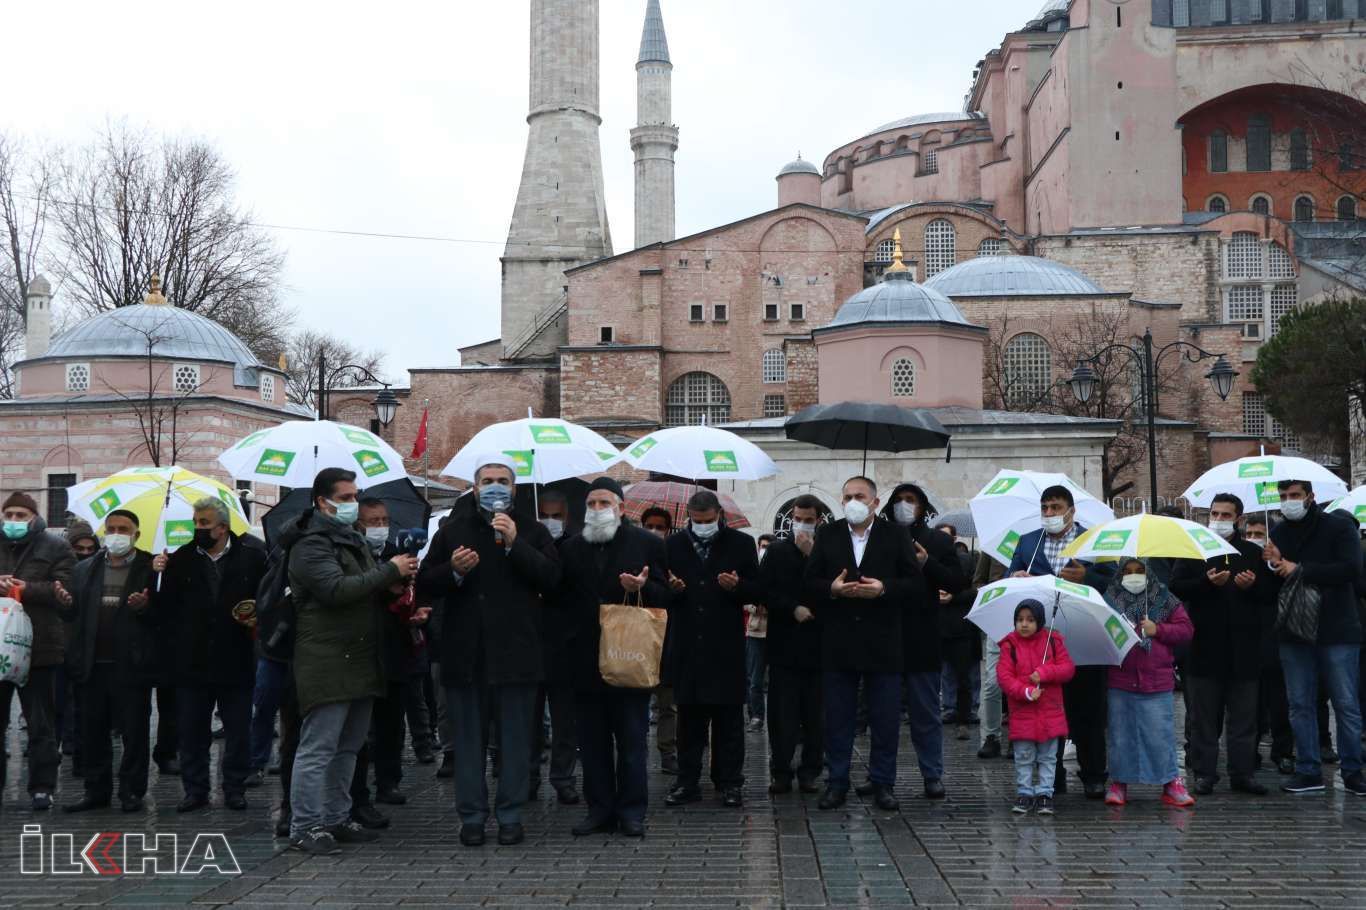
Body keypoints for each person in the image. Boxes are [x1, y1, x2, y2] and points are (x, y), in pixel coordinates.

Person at [417, 454, 560, 847]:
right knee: (468, 744)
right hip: (466, 655)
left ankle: (510, 815)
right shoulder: (452, 530)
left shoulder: (532, 530)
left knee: (515, 743)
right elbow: (427, 582)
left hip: (517, 655)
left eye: (502, 481)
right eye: (487, 481)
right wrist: (455, 571)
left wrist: (516, 546)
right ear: (476, 488)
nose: (495, 487)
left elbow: (552, 578)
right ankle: (472, 817)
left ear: (514, 490)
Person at [286, 469, 418, 855]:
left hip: (360, 656)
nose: (351, 504)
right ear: (321, 502)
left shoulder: (353, 540)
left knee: (349, 746)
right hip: (326, 658)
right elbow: (334, 590)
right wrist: (388, 571)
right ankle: (305, 826)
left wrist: (391, 586)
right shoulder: (310, 544)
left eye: (354, 497)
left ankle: (336, 816)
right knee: (318, 748)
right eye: (344, 498)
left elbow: (364, 589)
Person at [558, 478, 668, 837]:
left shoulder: (646, 544)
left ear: (621, 508)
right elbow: (559, 596)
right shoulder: (572, 548)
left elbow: (665, 596)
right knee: (592, 743)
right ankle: (599, 808)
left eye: (605, 503)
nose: (597, 509)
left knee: (633, 741)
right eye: (591, 504)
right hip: (584, 658)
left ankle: (632, 811)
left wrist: (642, 587)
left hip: (629, 656)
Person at [805, 476, 921, 811]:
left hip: (882, 640)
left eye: (859, 496)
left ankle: (883, 782)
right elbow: (810, 581)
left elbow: (914, 583)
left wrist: (883, 588)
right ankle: (836, 782)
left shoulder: (896, 535)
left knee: (884, 718)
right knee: (838, 717)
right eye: (847, 496)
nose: (852, 501)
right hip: (839, 641)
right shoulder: (828, 533)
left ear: (874, 501)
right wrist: (832, 589)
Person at [156, 496, 266, 813]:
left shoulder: (252, 557)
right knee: (192, 731)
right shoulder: (181, 559)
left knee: (237, 731)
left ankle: (234, 787)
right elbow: (165, 609)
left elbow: (266, 600)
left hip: (237, 659)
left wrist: (257, 616)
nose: (198, 528)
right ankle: (195, 790)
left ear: (222, 528)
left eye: (203, 523)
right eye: (196, 522)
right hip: (192, 662)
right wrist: (156, 576)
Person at [1008, 484, 1115, 799]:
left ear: (1071, 511)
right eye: (1045, 508)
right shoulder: (1028, 543)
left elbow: (1115, 582)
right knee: (1046, 709)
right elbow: (1009, 576)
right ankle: (1051, 777)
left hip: (1085, 637)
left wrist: (1088, 578)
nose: (1050, 514)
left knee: (1089, 712)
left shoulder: (1096, 541)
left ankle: (1094, 775)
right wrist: (1015, 578)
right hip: (1042, 645)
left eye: (1056, 507)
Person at [1169, 494, 1277, 796]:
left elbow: (1270, 594)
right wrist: (1206, 583)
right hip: (1204, 649)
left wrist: (1253, 585)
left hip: (1244, 650)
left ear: (1238, 519)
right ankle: (1204, 773)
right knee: (1204, 719)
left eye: (1225, 514)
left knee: (1244, 718)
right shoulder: (1195, 550)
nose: (1218, 519)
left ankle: (1243, 774)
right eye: (1214, 513)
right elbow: (1177, 586)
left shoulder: (1252, 552)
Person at [1264, 479, 1366, 795]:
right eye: (1283, 496)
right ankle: (1308, 769)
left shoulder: (1338, 527)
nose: (1288, 501)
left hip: (1336, 627)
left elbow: (1350, 569)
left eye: (1294, 495)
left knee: (1345, 703)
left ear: (1310, 497)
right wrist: (1271, 563)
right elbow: (1276, 581)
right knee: (1299, 703)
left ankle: (1353, 770)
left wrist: (1300, 568)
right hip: (1295, 629)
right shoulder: (1278, 532)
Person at [662, 489, 761, 809]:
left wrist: (739, 588)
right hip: (688, 644)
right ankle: (687, 781)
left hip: (726, 646)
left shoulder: (741, 544)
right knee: (688, 720)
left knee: (729, 721)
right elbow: (661, 591)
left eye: (708, 520)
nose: (702, 525)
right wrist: (672, 590)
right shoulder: (673, 545)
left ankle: (730, 782)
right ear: (688, 517)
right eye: (696, 520)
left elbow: (759, 589)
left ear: (720, 515)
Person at [54, 510, 158, 812]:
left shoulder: (150, 567)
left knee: (134, 732)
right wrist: (64, 604)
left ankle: (131, 791)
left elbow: (163, 615)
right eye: (111, 528)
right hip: (91, 664)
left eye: (123, 529)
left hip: (131, 664)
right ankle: (95, 791)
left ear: (136, 535)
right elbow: (73, 614)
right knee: (92, 731)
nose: (116, 534)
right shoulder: (86, 568)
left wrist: (146, 607)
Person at [880, 482, 965, 800]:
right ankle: (881, 776)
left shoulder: (938, 540)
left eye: (910, 500)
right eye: (899, 500)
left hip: (923, 636)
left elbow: (957, 581)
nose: (904, 505)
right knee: (883, 714)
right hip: (885, 635)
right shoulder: (880, 537)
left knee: (925, 712)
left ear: (922, 506)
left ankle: (932, 774)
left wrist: (928, 562)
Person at [0, 491, 75, 811]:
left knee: (41, 722)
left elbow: (66, 589)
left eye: (21, 515)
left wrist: (24, 589)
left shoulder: (56, 546)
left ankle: (43, 786)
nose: (14, 521)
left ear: (34, 516)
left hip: (39, 646)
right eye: (9, 515)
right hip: (1, 647)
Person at [354, 498, 429, 816]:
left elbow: (415, 597)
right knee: (358, 730)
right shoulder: (352, 557)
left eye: (384, 520)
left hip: (395, 652)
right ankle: (357, 792)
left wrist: (416, 611)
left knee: (391, 724)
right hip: (359, 652)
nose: (380, 526)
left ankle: (389, 782)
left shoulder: (398, 556)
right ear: (359, 524)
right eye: (374, 520)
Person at [1102, 558, 1195, 807]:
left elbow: (1186, 630)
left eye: (1139, 571)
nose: (1133, 576)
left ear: (1149, 573)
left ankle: (1170, 782)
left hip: (1157, 678)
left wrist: (1158, 630)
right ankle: (1119, 782)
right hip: (1121, 679)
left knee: (1160, 734)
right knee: (1121, 735)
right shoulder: (1109, 598)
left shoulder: (1164, 597)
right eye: (1128, 571)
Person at [761, 496, 825, 795]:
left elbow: (832, 591)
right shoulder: (776, 551)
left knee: (816, 716)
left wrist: (812, 557)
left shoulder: (827, 551)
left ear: (818, 520)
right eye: (797, 517)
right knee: (782, 716)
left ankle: (811, 770)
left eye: (808, 519)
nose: (802, 523)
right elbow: (766, 592)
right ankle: (781, 771)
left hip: (819, 648)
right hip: (784, 646)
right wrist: (790, 608)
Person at [997, 599, 1075, 815]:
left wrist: (1045, 673)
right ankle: (1024, 791)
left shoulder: (1053, 641)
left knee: (1048, 757)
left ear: (1039, 621)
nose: (1024, 624)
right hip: (1023, 713)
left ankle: (1045, 793)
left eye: (1030, 620)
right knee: (1023, 756)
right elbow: (1004, 677)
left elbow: (1067, 669)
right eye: (1020, 620)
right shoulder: (1009, 645)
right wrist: (1026, 691)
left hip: (1049, 712)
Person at [535, 489, 580, 805]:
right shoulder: (524, 544)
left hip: (565, 646)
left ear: (566, 518)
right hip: (529, 645)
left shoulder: (575, 549)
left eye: (556, 516)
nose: (550, 522)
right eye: (545, 516)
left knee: (566, 721)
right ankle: (527, 776)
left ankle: (563, 777)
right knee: (528, 720)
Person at [1243, 515, 1294, 774]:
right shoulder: (1242, 558)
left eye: (1258, 533)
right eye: (1249, 533)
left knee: (1279, 699)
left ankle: (1283, 751)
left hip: (1276, 634)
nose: (1253, 538)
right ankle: (1248, 753)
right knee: (1250, 702)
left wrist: (1274, 565)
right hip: (1248, 636)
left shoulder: (1277, 558)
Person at [640, 506, 679, 774]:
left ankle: (668, 752)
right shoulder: (634, 554)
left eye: (660, 527)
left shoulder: (675, 558)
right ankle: (635, 751)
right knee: (636, 703)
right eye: (649, 526)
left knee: (668, 704)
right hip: (638, 637)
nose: (654, 531)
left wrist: (674, 587)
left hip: (667, 639)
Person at [974, 550, 1009, 760]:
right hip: (997, 618)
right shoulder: (993, 546)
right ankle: (991, 737)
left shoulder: (1037, 542)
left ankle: (1018, 737)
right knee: (992, 682)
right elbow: (978, 581)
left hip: (1029, 619)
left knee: (1024, 682)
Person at [744, 534, 774, 733]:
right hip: (755, 632)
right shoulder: (752, 571)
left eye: (768, 547)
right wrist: (756, 608)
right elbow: (744, 598)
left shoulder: (778, 571)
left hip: (775, 632)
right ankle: (756, 716)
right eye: (763, 546)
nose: (765, 550)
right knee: (754, 679)